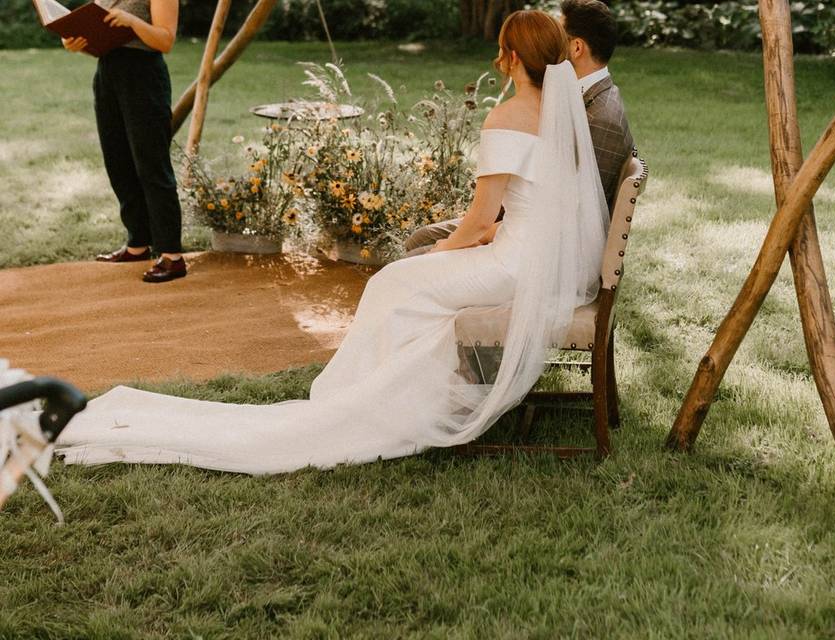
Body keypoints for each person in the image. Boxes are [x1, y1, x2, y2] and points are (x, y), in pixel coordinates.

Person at [56, 10, 610, 474]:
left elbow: (480, 219)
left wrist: (440, 253)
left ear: (511, 57)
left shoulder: (509, 115)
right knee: (404, 288)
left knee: (395, 283)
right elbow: (532, 208)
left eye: (500, 51)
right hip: (533, 258)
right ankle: (403, 393)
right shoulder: (565, 116)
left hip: (513, 265)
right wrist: (468, 245)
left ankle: (365, 408)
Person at [403, 0, 635, 258]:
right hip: (517, 218)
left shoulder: (600, 118)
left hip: (541, 246)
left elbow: (571, 216)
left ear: (577, 47)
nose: (550, 43)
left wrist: (488, 233)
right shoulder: (585, 97)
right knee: (419, 240)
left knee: (418, 254)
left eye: (558, 35)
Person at [63, 0, 186, 283]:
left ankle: (171, 255)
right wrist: (77, 43)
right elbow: (101, 37)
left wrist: (133, 22)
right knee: (118, 162)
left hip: (144, 76)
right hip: (108, 74)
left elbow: (165, 40)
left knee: (151, 165)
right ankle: (138, 244)